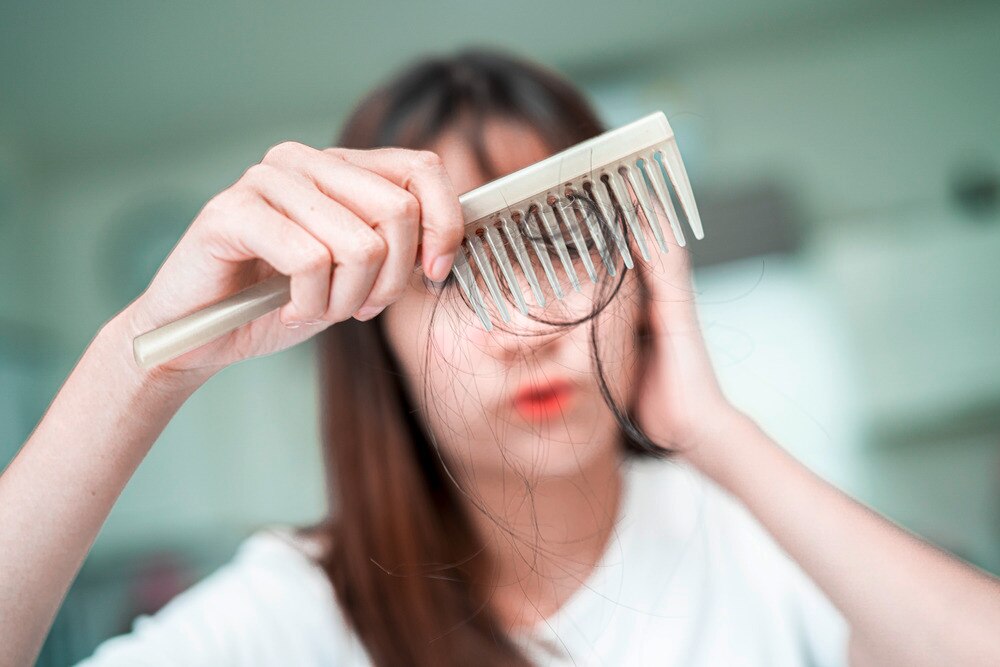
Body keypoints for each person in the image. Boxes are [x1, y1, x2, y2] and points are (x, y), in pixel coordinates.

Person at [2, 48, 999, 667]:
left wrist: (712, 432)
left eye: (558, 246)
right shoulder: (300, 612)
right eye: (445, 276)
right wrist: (137, 369)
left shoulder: (752, 543)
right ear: (373, 339)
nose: (525, 329)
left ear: (638, 265)